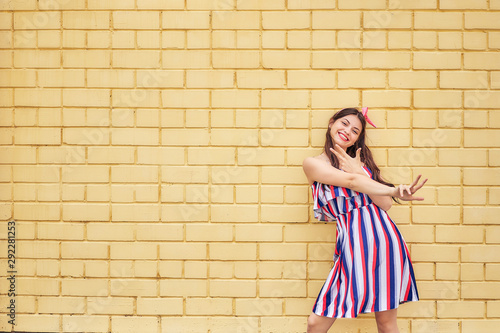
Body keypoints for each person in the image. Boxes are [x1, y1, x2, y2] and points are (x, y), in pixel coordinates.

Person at [302, 107, 427, 333]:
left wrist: (361, 171)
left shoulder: (359, 166)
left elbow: (385, 205)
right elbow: (350, 182)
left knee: (386, 322)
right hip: (352, 245)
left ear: (358, 139)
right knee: (315, 323)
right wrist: (394, 190)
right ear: (332, 123)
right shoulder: (313, 164)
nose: (347, 131)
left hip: (384, 241)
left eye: (355, 130)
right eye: (344, 124)